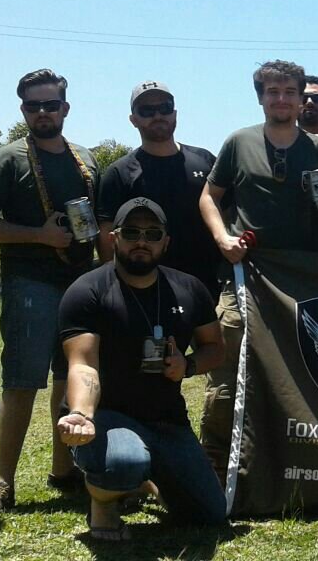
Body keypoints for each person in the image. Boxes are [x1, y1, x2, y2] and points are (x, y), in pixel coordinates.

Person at [198, 59, 318, 478]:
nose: (281, 99)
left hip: (299, 283)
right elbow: (209, 197)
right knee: (227, 375)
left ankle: (291, 462)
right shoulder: (238, 142)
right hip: (245, 276)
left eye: (289, 92)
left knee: (298, 377)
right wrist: (222, 238)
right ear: (261, 98)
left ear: (301, 100)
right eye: (273, 92)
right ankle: (213, 466)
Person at [0, 68, 101, 515]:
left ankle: (64, 470)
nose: (43, 112)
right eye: (33, 105)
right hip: (29, 283)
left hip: (81, 285)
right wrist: (39, 236)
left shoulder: (86, 159)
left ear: (65, 107)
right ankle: (3, 484)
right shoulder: (8, 159)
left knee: (70, 378)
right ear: (23, 110)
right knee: (21, 382)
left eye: (51, 104)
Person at [57, 198, 226, 541]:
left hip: (166, 420)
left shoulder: (190, 289)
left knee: (210, 513)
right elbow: (83, 365)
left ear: (166, 242)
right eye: (132, 232)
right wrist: (82, 414)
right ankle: (104, 503)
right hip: (107, 417)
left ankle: (146, 480)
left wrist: (188, 365)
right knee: (123, 462)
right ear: (114, 238)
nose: (142, 241)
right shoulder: (87, 291)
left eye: (153, 234)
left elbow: (216, 348)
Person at [96, 81, 220, 298]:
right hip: (146, 291)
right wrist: (114, 289)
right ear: (133, 120)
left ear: (175, 113)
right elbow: (107, 236)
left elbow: (228, 213)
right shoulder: (119, 173)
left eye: (165, 108)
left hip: (209, 287)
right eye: (147, 110)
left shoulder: (206, 160)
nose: (158, 115)